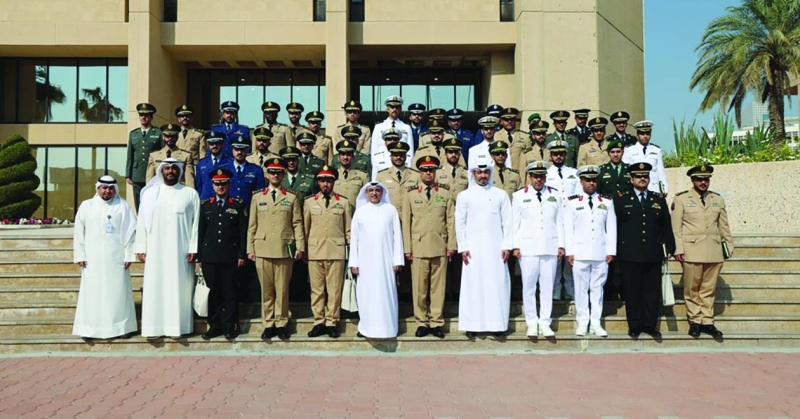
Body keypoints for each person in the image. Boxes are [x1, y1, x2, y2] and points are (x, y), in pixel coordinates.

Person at [134, 158, 200, 338]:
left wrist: (193, 248)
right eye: (167, 168)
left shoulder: (190, 193)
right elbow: (141, 222)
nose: (170, 171)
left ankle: (177, 328)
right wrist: (141, 247)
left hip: (181, 251)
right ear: (161, 171)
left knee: (179, 288)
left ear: (179, 171)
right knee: (155, 287)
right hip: (155, 251)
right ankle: (153, 329)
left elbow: (196, 224)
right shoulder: (149, 195)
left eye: (174, 168)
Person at [72, 176, 138, 340]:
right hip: (91, 259)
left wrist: (129, 254)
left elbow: (131, 232)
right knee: (92, 294)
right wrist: (80, 254)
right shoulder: (87, 206)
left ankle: (121, 328)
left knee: (118, 293)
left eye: (111, 188)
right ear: (98, 188)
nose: (107, 191)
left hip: (116, 258)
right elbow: (78, 232)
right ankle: (89, 329)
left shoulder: (122, 206)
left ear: (115, 189)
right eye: (104, 188)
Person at [615, 163, 676, 339]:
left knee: (651, 291)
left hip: (653, 252)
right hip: (629, 252)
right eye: (638, 176)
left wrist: (670, 246)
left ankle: (650, 325)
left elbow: (666, 224)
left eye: (645, 176)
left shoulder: (658, 199)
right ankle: (634, 324)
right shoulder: (622, 199)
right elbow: (615, 226)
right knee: (632, 291)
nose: (642, 179)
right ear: (631, 179)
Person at [247, 157, 305, 340]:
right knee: (266, 289)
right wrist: (250, 248)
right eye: (272, 172)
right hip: (263, 248)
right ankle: (268, 323)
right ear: (267, 173)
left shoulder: (291, 197)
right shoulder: (257, 197)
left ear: (283, 174)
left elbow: (297, 223)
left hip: (283, 248)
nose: (275, 175)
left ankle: (281, 322)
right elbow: (252, 225)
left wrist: (300, 246)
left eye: (278, 172)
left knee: (282, 289)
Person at [671, 164, 733, 338]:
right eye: (699, 179)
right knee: (692, 288)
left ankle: (707, 320)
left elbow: (723, 225)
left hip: (713, 250)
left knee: (708, 288)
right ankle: (695, 320)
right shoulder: (681, 199)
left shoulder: (717, 199)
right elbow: (676, 228)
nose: (703, 182)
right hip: (692, 250)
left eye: (706, 179)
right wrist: (678, 248)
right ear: (693, 180)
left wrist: (728, 244)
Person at [456, 155, 513, 337]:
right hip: (473, 250)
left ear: (490, 173)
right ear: (473, 174)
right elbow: (460, 223)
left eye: (486, 172)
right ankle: (472, 325)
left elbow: (508, 223)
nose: (482, 175)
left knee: (496, 285)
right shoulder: (464, 196)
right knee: (473, 286)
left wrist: (507, 246)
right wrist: (463, 247)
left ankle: (497, 325)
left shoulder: (500, 195)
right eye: (479, 172)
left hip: (496, 249)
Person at [402, 155, 456, 339]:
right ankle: (421, 322)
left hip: (440, 245)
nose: (428, 173)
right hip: (418, 247)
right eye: (425, 170)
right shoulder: (411, 193)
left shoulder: (445, 192)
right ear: (420, 172)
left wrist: (451, 245)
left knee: (438, 288)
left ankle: (436, 321)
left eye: (431, 170)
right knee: (420, 287)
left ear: (435, 172)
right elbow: (406, 223)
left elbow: (450, 220)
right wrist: (407, 248)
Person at [564, 165, 617, 337]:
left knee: (597, 289)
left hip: (600, 252)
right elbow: (568, 229)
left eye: (594, 180)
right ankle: (582, 321)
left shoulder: (606, 201)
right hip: (580, 252)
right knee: (580, 289)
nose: (591, 183)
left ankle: (595, 322)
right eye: (588, 180)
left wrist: (611, 251)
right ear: (581, 181)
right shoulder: (572, 201)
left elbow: (611, 228)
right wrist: (570, 251)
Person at [511, 161, 563, 337]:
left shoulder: (555, 195)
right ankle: (532, 322)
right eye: (535, 176)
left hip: (550, 246)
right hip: (528, 247)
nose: (538, 179)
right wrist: (515, 245)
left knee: (548, 287)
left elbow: (560, 222)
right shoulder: (519, 196)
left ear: (545, 177)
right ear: (530, 177)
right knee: (529, 286)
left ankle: (545, 322)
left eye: (541, 176)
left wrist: (561, 245)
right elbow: (515, 223)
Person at [349, 182, 404, 338]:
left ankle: (388, 328)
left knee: (386, 294)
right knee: (366, 295)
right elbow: (354, 239)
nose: (374, 193)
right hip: (365, 263)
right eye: (371, 190)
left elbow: (397, 236)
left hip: (386, 262)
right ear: (366, 193)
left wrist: (397, 260)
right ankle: (366, 328)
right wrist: (354, 262)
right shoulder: (360, 212)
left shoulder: (391, 210)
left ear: (382, 193)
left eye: (377, 190)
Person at [197, 168, 247, 340]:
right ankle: (215, 325)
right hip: (210, 257)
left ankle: (229, 325)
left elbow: (242, 232)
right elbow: (201, 232)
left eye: (223, 183)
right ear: (212, 185)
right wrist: (200, 257)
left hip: (230, 257)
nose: (220, 187)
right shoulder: (206, 205)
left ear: (229, 185)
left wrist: (241, 254)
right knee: (213, 293)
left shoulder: (237, 205)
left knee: (230, 292)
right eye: (217, 184)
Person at [304, 166, 352, 339]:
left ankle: (332, 321)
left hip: (336, 252)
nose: (325, 184)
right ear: (318, 182)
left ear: (333, 182)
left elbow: (348, 230)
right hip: (315, 251)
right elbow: (305, 228)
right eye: (322, 181)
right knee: (317, 290)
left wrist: (351, 251)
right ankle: (319, 321)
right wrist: (304, 249)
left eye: (329, 181)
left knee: (334, 290)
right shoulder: (309, 202)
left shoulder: (343, 202)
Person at [545, 140, 579, 300]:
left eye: (561, 154)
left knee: (571, 256)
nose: (558, 157)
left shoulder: (574, 173)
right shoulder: (546, 174)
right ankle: (555, 291)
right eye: (555, 154)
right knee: (555, 257)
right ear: (551, 155)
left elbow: (578, 196)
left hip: (571, 219)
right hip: (553, 219)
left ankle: (571, 290)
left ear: (565, 155)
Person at [126, 103, 163, 211]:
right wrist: (128, 174)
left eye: (146, 115)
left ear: (151, 117)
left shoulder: (158, 133)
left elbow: (162, 153)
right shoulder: (133, 134)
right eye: (141, 115)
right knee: (138, 202)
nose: (143, 117)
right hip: (137, 173)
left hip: (152, 173)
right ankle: (140, 220)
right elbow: (130, 155)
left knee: (152, 200)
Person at [375, 141, 419, 220]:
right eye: (395, 155)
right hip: (388, 217)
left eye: (401, 155)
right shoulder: (381, 176)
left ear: (406, 157)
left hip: (410, 217)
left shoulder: (416, 175)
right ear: (390, 157)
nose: (398, 158)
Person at [623, 120, 669, 196]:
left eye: (647, 133)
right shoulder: (629, 150)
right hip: (635, 190)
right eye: (642, 134)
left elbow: (661, 172)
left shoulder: (656, 150)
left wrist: (664, 189)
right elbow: (626, 172)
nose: (645, 136)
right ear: (637, 135)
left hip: (654, 189)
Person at [146, 123, 195, 188]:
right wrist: (149, 191)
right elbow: (150, 178)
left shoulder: (186, 156)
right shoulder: (154, 156)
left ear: (177, 137)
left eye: (173, 136)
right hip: (160, 190)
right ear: (163, 137)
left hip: (179, 189)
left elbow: (189, 180)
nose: (170, 138)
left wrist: (191, 192)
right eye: (167, 136)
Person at [370, 95, 415, 159]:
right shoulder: (378, 127)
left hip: (401, 161)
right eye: (392, 107)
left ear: (400, 109)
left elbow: (410, 152)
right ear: (387, 109)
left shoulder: (406, 128)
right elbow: (374, 150)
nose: (394, 109)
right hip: (382, 162)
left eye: (397, 107)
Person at [195, 131, 234, 200]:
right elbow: (199, 186)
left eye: (217, 143)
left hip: (225, 200)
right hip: (205, 200)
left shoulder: (230, 162)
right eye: (211, 144)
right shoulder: (201, 163)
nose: (214, 146)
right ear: (208, 145)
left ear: (222, 144)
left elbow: (232, 184)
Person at [229, 136, 265, 209]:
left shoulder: (256, 170)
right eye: (237, 149)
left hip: (248, 209)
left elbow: (260, 194)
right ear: (232, 151)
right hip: (228, 210)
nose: (239, 152)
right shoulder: (225, 169)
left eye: (242, 149)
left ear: (247, 151)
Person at [332, 140, 368, 207]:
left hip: (356, 211)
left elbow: (366, 197)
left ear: (353, 157)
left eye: (348, 154)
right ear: (338, 158)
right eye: (343, 154)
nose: (345, 157)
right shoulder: (332, 175)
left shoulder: (363, 176)